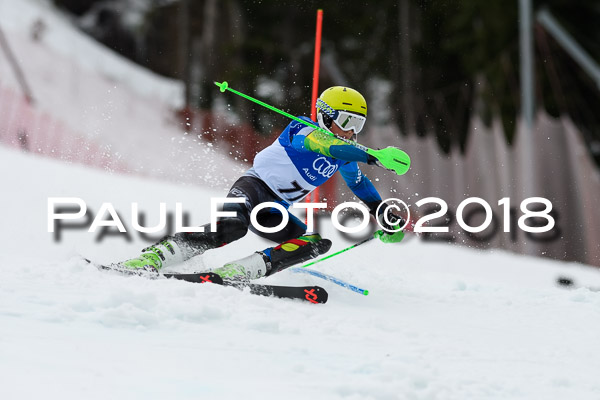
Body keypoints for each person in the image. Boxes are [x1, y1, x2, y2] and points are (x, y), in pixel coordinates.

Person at [117, 86, 405, 280]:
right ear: (325, 116)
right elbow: (326, 147)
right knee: (231, 228)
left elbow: (358, 184)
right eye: (346, 121)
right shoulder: (302, 129)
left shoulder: (348, 153)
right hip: (252, 189)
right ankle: (157, 256)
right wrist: (374, 155)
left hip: (273, 210)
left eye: (359, 125)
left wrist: (383, 214)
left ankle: (242, 270)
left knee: (314, 242)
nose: (351, 132)